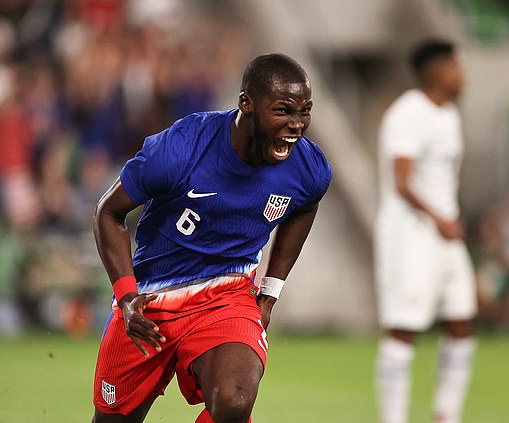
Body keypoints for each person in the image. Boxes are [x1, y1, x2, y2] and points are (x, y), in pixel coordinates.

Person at [91, 53, 332, 423]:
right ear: (246, 105)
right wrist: (126, 296)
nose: (297, 125)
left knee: (234, 402)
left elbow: (307, 204)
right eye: (284, 111)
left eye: (304, 112)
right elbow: (108, 212)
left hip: (227, 296)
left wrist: (269, 291)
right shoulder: (182, 147)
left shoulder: (308, 167)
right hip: (151, 299)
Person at [374, 40, 477, 423]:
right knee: (404, 328)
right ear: (436, 70)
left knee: (463, 322)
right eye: (456, 66)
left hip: (445, 232)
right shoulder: (407, 113)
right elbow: (401, 181)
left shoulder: (449, 114)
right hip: (411, 235)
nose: (462, 74)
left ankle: (446, 415)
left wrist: (447, 219)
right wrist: (438, 218)